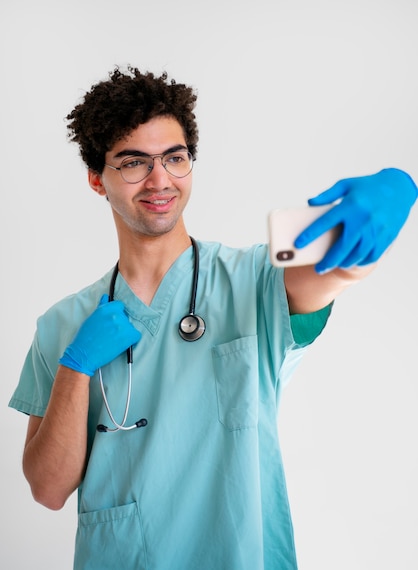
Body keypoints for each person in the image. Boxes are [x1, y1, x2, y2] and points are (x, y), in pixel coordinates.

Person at [9, 66, 417, 570]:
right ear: (98, 178)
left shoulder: (254, 283)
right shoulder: (60, 325)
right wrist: (74, 370)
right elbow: (48, 490)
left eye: (174, 158)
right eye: (134, 162)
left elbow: (337, 268)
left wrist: (397, 188)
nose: (160, 180)